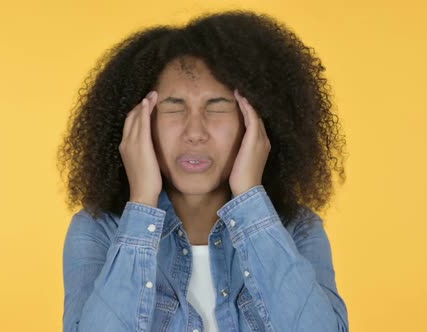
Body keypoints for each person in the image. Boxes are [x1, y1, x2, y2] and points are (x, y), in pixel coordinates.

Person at [57, 9, 349, 332]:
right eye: (174, 105)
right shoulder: (98, 232)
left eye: (218, 105)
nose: (195, 131)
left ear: (255, 121)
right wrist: (141, 202)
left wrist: (251, 199)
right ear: (138, 123)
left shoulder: (298, 230)